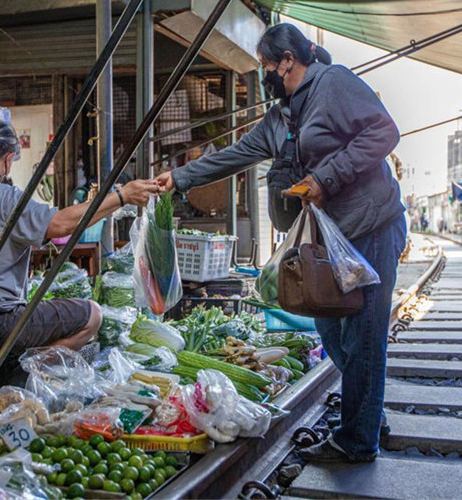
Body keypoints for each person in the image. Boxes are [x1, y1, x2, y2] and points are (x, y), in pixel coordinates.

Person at [156, 23, 406, 463]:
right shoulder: (280, 118)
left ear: (288, 61)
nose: (264, 74)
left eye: (266, 66)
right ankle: (368, 413)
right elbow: (233, 155)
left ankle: (357, 443)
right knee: (331, 327)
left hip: (372, 227)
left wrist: (325, 178)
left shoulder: (335, 84)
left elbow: (384, 133)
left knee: (364, 336)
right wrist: (177, 179)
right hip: (333, 239)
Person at [0, 118, 159, 356]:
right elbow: (60, 224)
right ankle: (20, 368)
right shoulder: (4, 197)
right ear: (9, 159)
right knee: (92, 315)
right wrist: (121, 197)